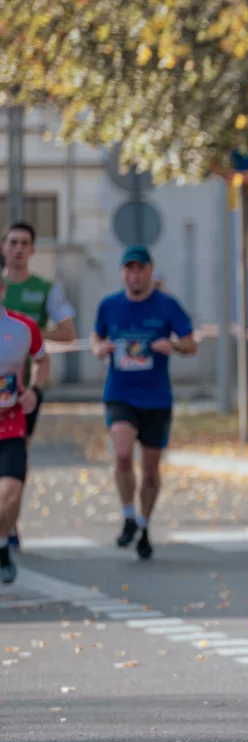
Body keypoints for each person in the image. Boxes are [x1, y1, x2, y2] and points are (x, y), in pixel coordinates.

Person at [90, 246, 197, 559]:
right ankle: (127, 515)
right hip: (120, 393)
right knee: (123, 455)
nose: (135, 274)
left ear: (150, 271)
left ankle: (144, 525)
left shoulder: (167, 305)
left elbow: (191, 343)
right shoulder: (109, 305)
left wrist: (173, 344)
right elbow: (96, 337)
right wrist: (99, 348)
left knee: (150, 471)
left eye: (141, 268)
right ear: (122, 272)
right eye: (130, 269)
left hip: (156, 398)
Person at [2, 222, 78, 548]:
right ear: (4, 247)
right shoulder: (0, 284)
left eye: (24, 243)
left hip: (23, 391)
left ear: (33, 250)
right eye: (12, 242)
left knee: (18, 453)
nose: (18, 249)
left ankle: (10, 522)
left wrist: (29, 332)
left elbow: (68, 333)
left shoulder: (45, 288)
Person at [0, 275, 49, 583]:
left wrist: (35, 390)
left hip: (11, 424)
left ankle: (2, 546)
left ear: (2, 290)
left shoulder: (22, 327)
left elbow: (42, 361)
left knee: (10, 493)